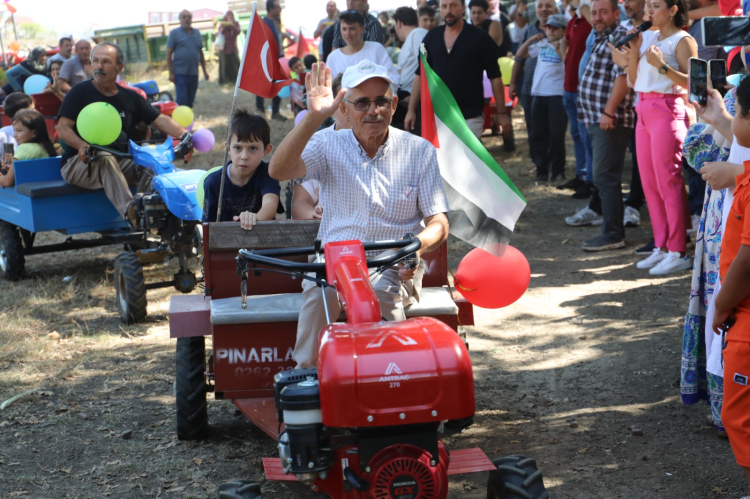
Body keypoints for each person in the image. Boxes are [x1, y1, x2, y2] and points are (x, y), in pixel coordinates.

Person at [268, 60, 450, 368]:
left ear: (394, 105)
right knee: (319, 292)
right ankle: (309, 377)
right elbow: (278, 170)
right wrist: (313, 118)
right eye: (363, 102)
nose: (373, 111)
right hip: (336, 260)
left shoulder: (419, 150)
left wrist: (414, 247)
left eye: (381, 101)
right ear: (344, 109)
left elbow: (439, 222)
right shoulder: (326, 143)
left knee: (380, 292)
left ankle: (392, 377)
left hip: (393, 262)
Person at [57, 42, 187, 227]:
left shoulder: (130, 97)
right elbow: (62, 128)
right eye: (95, 61)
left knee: (151, 160)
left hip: (120, 161)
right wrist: (81, 145)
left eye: (105, 62)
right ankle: (133, 214)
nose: (99, 66)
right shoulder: (80, 92)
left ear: (120, 67)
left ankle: (151, 210)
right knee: (103, 156)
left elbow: (160, 120)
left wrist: (185, 136)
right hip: (79, 163)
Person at [623, 0, 697, 274]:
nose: (649, 11)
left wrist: (662, 67)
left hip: (668, 109)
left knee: (668, 181)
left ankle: (678, 251)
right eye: (648, 6)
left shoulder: (683, 40)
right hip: (642, 108)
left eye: (655, 5)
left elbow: (695, 83)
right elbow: (633, 80)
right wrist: (633, 51)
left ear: (674, 9)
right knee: (650, 183)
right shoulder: (648, 37)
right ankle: (662, 245)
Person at [681, 87, 737, 439]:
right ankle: (726, 410)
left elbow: (700, 148)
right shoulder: (735, 95)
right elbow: (696, 149)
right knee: (724, 314)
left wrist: (740, 171)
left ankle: (732, 412)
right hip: (725, 217)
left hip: (733, 216)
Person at [710, 77, 750, 493]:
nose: (733, 119)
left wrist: (722, 305)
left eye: (736, 112)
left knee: (741, 417)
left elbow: (748, 260)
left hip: (746, 319)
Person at [570, 0, 636, 252]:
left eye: (603, 12)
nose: (597, 17)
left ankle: (613, 233)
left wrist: (608, 112)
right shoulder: (601, 35)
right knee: (602, 176)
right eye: (594, 12)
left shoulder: (620, 36)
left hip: (611, 119)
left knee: (605, 177)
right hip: (597, 118)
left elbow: (623, 78)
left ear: (616, 14)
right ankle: (611, 230)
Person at [405, 0, 512, 140]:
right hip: (439, 116)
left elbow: (495, 76)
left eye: (453, 5)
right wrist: (411, 110)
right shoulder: (431, 38)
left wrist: (502, 113)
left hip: (470, 115)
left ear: (463, 8)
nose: (448, 10)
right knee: (442, 162)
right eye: (444, 6)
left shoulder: (480, 38)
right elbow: (420, 74)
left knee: (468, 161)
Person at [202, 110, 282, 228]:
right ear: (228, 148)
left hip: (263, 242)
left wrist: (253, 219)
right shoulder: (214, 182)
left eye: (253, 148)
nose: (244, 156)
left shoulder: (269, 173)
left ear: (267, 150)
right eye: (238, 148)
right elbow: (207, 227)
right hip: (226, 244)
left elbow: (270, 206)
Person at [291, 74, 351, 220]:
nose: (350, 108)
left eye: (362, 102)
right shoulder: (318, 145)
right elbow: (299, 203)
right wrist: (313, 215)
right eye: (343, 101)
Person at [517, 14, 568, 182]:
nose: (550, 30)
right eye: (548, 27)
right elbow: (520, 54)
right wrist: (532, 38)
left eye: (555, 28)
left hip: (557, 95)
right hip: (538, 93)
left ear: (563, 30)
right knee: (538, 134)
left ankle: (558, 171)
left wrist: (559, 47)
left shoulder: (567, 46)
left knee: (556, 135)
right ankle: (541, 170)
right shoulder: (542, 44)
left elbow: (566, 62)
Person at [509, 0, 557, 164]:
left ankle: (553, 161)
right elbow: (519, 58)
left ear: (555, 9)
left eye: (548, 6)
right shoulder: (530, 29)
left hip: (553, 89)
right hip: (529, 86)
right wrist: (513, 82)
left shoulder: (561, 30)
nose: (544, 10)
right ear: (535, 10)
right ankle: (538, 163)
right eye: (541, 6)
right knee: (533, 127)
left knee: (553, 129)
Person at [557, 0, 593, 193]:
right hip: (569, 87)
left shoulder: (591, 19)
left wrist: (584, 6)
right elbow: (565, 40)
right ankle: (581, 174)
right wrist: (565, 55)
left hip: (583, 88)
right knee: (577, 135)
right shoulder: (574, 21)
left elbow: (598, 28)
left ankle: (591, 179)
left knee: (586, 136)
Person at [324, 10, 400, 90]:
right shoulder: (333, 57)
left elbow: (393, 78)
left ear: (362, 29)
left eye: (352, 29)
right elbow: (329, 87)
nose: (348, 33)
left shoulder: (376, 49)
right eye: (344, 29)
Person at [392, 6, 428, 131]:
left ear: (399, 23)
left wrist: (415, 96)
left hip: (412, 97)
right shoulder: (412, 37)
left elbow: (425, 65)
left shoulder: (417, 33)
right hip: (405, 96)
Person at [0, 109, 56, 188]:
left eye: (19, 130)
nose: (14, 135)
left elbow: (7, 182)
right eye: (14, 130)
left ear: (34, 133)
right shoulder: (46, 145)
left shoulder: (25, 148)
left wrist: (1, 178)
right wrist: (12, 167)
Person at [167, 9, 210, 108]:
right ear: (180, 19)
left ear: (191, 19)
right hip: (180, 73)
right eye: (184, 17)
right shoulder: (174, 33)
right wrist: (171, 73)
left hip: (194, 73)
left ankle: (188, 122)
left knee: (190, 101)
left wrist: (205, 71)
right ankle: (179, 122)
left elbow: (200, 53)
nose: (187, 19)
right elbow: (168, 54)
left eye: (189, 17)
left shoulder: (197, 33)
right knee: (182, 100)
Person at [256, 0, 287, 121]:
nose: (279, 9)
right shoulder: (265, 23)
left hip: (277, 59)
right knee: (262, 85)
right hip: (268, 61)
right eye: (277, 7)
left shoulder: (274, 22)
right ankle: (260, 113)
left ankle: (275, 111)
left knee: (277, 85)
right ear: (270, 9)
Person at [218, 11, 241, 86]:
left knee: (235, 64)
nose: (230, 16)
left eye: (231, 15)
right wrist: (225, 26)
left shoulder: (235, 23)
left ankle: (236, 80)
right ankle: (225, 80)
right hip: (224, 47)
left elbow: (238, 31)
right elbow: (219, 32)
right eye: (229, 15)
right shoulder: (223, 24)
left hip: (232, 46)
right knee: (224, 65)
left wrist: (232, 25)